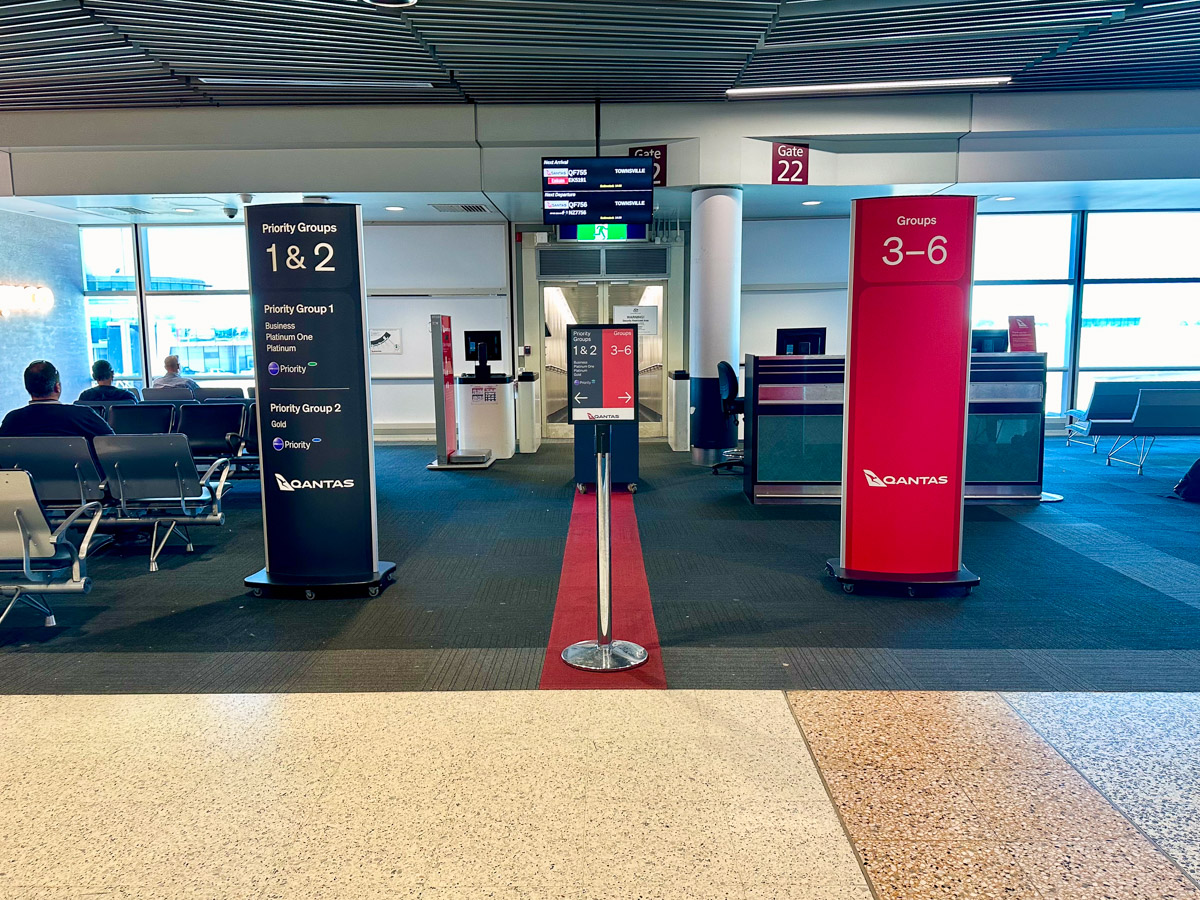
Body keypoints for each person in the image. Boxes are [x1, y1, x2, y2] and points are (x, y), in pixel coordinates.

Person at [0, 360, 114, 440]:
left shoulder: (12, 420)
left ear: (27, 388)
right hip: (77, 474)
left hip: (27, 474)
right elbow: (113, 443)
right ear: (57, 387)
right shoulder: (82, 415)